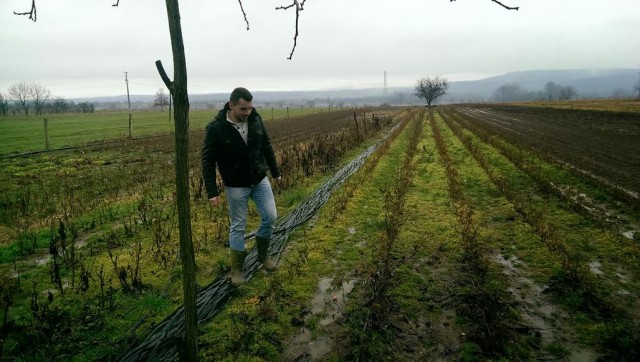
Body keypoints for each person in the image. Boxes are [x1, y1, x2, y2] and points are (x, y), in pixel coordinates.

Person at [201, 87, 281, 286]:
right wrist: (212, 191)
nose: (247, 113)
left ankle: (263, 255)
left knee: (271, 216)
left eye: (250, 108)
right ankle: (236, 270)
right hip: (236, 185)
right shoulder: (216, 128)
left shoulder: (255, 119)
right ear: (231, 106)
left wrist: (275, 171)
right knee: (238, 226)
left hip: (259, 179)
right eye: (243, 109)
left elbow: (266, 145)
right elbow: (207, 160)